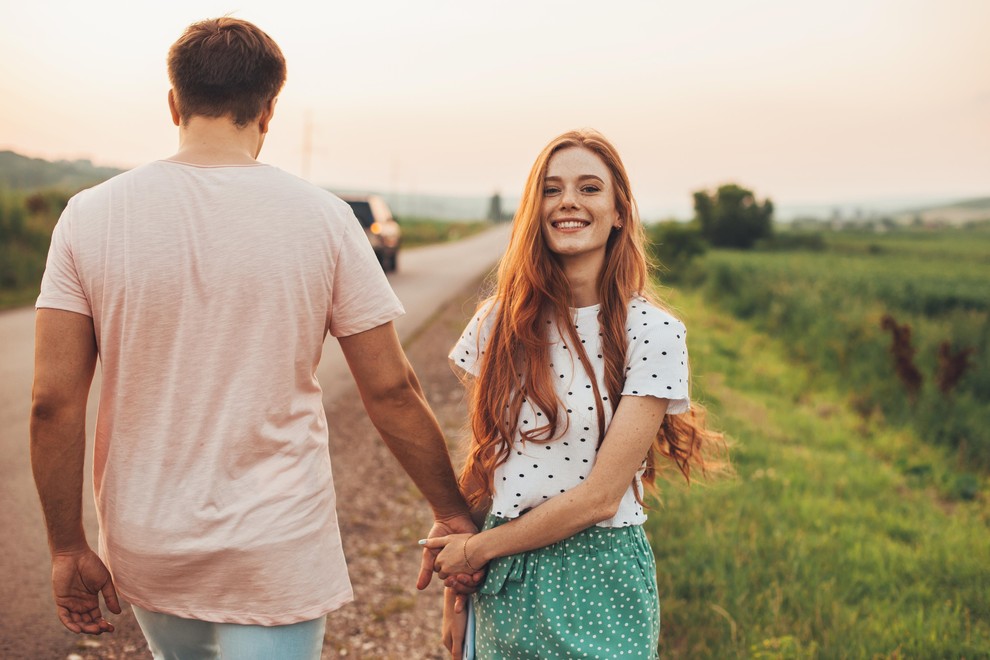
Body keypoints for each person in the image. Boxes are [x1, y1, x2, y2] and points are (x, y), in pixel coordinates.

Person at [30, 17, 474, 659]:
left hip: (148, 541)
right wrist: (452, 510)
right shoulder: (324, 219)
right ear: (269, 110)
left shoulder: (91, 215)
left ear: (174, 102)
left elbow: (53, 401)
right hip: (275, 545)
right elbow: (390, 388)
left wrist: (68, 546)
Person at [422, 129, 725, 658]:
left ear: (619, 213)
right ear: (533, 209)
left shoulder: (653, 333)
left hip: (599, 568)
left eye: (589, 188)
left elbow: (601, 497)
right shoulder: (497, 323)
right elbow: (491, 461)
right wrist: (457, 598)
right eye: (552, 188)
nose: (568, 202)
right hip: (506, 573)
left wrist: (475, 550)